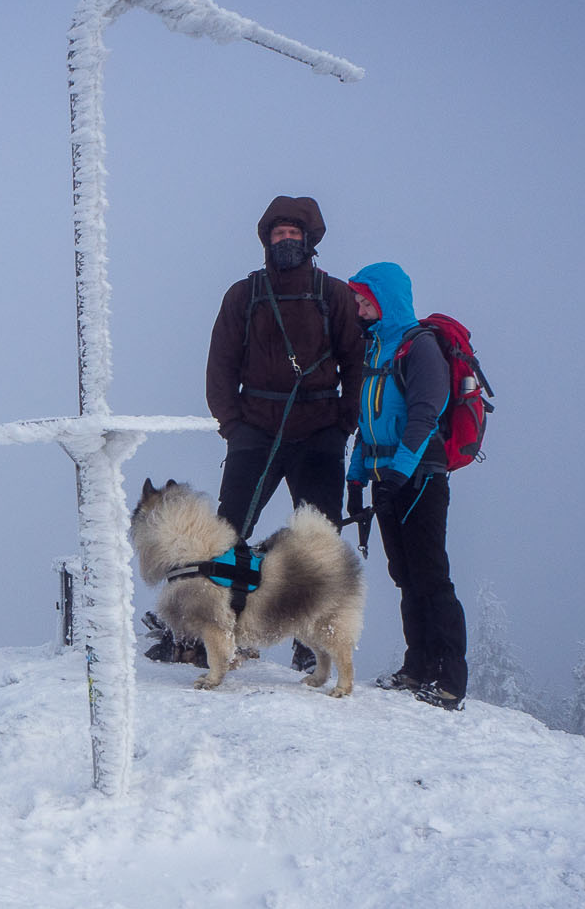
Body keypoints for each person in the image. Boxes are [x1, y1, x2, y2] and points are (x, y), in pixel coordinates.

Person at [200, 197, 363, 674]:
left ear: (309, 240)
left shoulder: (332, 295)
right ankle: (221, 630)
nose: (286, 242)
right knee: (228, 535)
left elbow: (356, 362)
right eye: (278, 235)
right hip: (255, 430)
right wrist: (232, 424)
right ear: (266, 241)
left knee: (320, 542)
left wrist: (343, 423)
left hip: (319, 433)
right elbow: (220, 364)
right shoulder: (243, 295)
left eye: (294, 235)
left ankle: (314, 646)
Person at [344, 261, 468, 709]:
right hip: (385, 477)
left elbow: (425, 414)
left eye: (364, 299)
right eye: (357, 300)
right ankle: (417, 668)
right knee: (405, 576)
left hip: (420, 476)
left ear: (385, 298)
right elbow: (367, 421)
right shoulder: (375, 349)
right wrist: (357, 475)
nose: (358, 307)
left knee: (431, 575)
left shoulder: (419, 347)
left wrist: (398, 470)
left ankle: (450, 679)